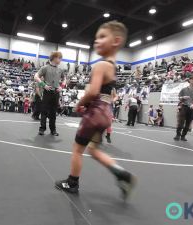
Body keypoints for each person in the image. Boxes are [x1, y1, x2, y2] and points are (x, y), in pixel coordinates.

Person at [55, 21, 136, 200]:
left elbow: (92, 91)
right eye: (96, 38)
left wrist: (80, 103)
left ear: (116, 40)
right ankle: (122, 174)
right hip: (106, 113)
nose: (96, 42)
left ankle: (72, 182)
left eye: (101, 37)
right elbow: (110, 93)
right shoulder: (113, 68)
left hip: (95, 113)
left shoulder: (100, 65)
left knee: (77, 149)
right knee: (93, 150)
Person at [34, 51, 65, 136]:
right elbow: (36, 76)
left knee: (53, 112)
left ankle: (53, 130)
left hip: (56, 92)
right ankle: (42, 129)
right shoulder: (45, 68)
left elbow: (65, 79)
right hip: (47, 91)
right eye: (59, 58)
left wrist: (61, 86)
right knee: (44, 111)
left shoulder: (60, 70)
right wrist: (43, 85)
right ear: (54, 58)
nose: (60, 60)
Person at [174, 74, 193, 141]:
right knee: (181, 122)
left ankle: (183, 136)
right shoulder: (184, 89)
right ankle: (178, 135)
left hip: (192, 108)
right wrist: (183, 97)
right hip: (184, 107)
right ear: (190, 80)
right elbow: (179, 97)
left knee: (188, 123)